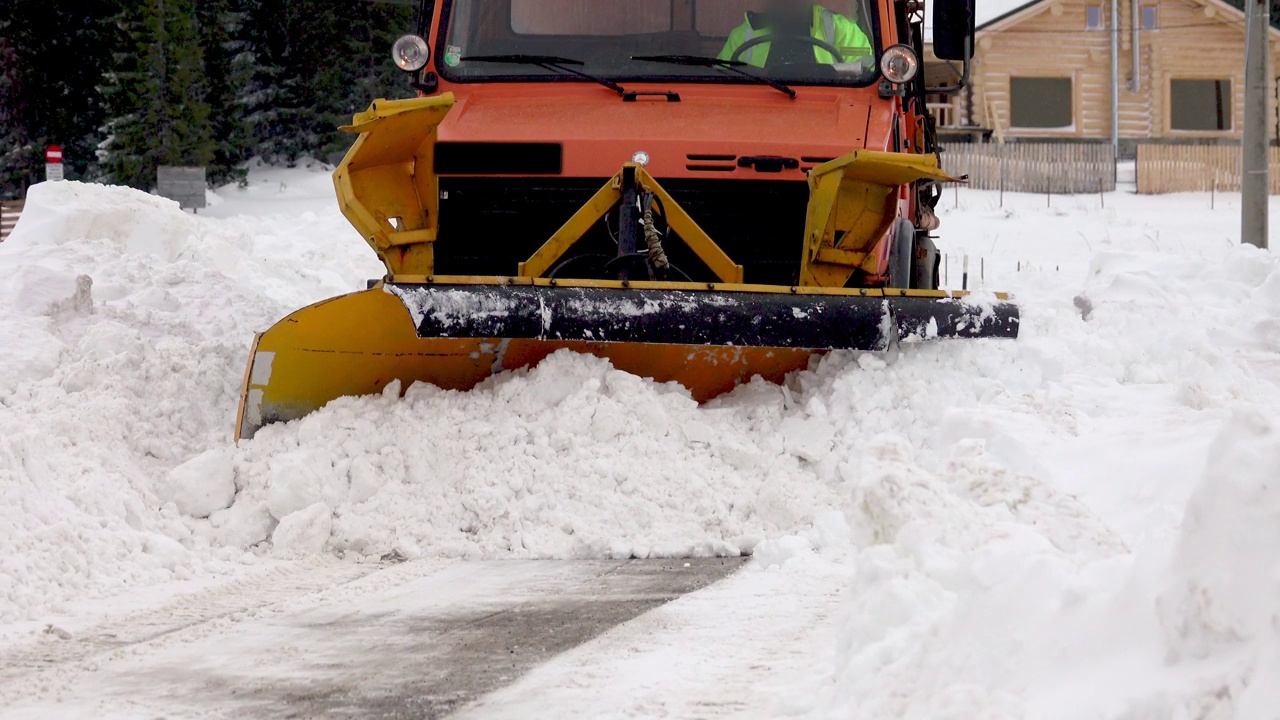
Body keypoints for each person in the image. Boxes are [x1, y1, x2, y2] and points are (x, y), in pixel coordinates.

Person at [718, 1, 872, 69]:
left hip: (824, 117)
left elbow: (868, 82)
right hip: (757, 118)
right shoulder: (745, 34)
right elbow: (720, 85)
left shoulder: (841, 30)